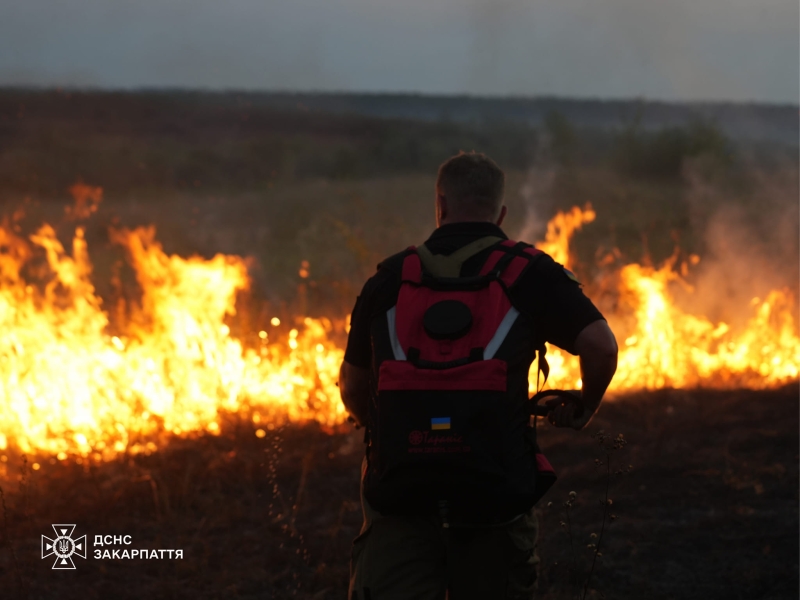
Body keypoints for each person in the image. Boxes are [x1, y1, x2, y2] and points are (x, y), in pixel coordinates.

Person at [339, 151, 618, 600]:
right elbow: (602, 347)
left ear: (441, 203)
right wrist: (585, 405)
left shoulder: (390, 278)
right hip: (494, 494)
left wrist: (396, 432)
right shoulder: (529, 271)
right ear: (501, 212)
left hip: (401, 494)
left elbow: (353, 386)